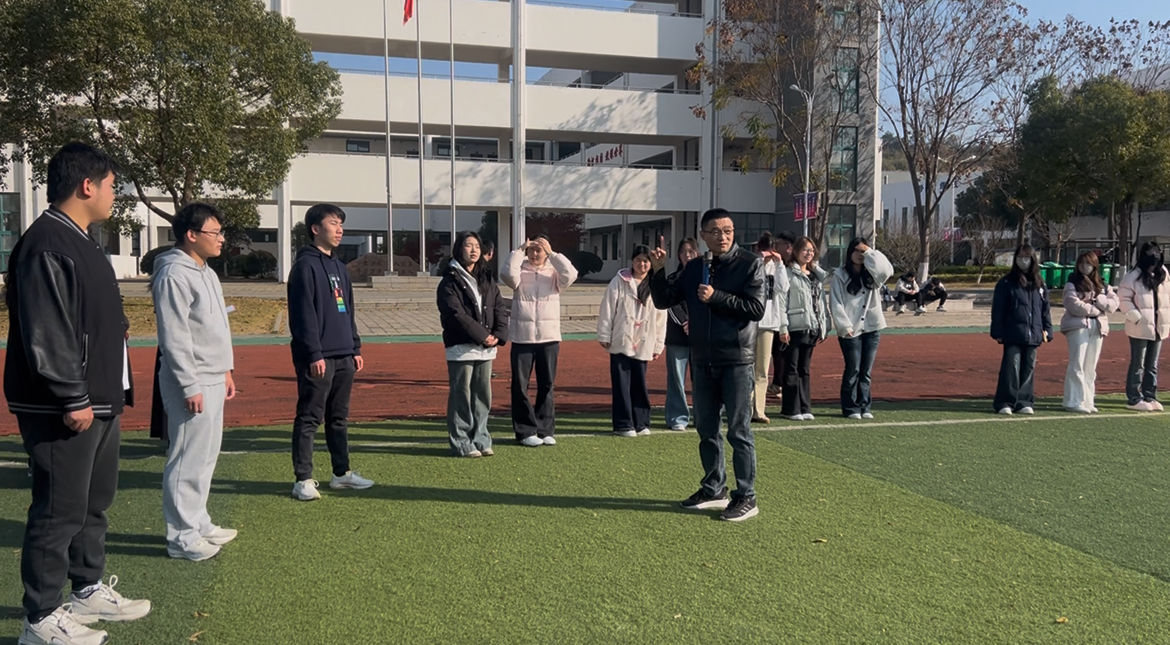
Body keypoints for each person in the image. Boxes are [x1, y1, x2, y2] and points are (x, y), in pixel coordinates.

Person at [6, 142, 151, 645]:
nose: (115, 194)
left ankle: (86, 588)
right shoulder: (47, 243)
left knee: (93, 502)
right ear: (87, 185)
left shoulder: (82, 240)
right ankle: (41, 617)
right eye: (111, 185)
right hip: (64, 404)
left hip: (100, 397)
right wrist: (71, 395)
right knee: (59, 509)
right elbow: (46, 329)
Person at [650, 209, 766, 522]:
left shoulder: (750, 263)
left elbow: (756, 308)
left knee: (739, 430)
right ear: (703, 236)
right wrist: (658, 271)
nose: (722, 236)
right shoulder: (695, 267)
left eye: (728, 231)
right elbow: (664, 300)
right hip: (702, 358)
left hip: (736, 359)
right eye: (715, 231)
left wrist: (717, 297)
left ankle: (746, 495)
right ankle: (714, 488)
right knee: (706, 428)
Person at [152, 203, 238, 561]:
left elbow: (215, 327)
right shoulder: (174, 274)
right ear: (191, 235)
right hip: (192, 380)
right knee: (187, 457)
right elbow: (174, 336)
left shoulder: (206, 272)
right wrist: (189, 385)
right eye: (214, 232)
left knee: (205, 456)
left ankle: (198, 521)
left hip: (213, 375)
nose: (221, 239)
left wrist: (226, 370)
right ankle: (181, 536)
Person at [287, 204, 373, 501]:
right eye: (334, 223)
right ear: (315, 229)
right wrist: (314, 354)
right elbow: (303, 316)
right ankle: (303, 479)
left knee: (339, 418)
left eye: (341, 224)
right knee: (310, 418)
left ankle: (341, 473)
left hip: (344, 354)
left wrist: (355, 347)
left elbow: (348, 309)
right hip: (318, 357)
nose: (340, 229)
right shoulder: (305, 266)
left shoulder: (339, 267)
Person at [500, 235, 579, 447]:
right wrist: (518, 251)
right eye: (532, 250)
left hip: (549, 337)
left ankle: (545, 429)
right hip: (522, 337)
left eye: (539, 250)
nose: (535, 254)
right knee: (520, 385)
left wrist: (553, 254)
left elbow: (571, 274)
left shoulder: (554, 273)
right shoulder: (519, 271)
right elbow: (506, 274)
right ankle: (525, 431)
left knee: (547, 384)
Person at [437, 231, 509, 457]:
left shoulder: (486, 278)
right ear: (459, 249)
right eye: (469, 245)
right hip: (462, 347)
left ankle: (481, 438)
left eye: (477, 246)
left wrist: (498, 334)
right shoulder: (449, 281)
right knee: (462, 394)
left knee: (482, 394)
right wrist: (482, 335)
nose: (474, 250)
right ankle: (461, 441)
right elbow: (455, 314)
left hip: (486, 348)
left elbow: (499, 307)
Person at [598, 245, 667, 438]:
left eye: (645, 261)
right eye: (638, 260)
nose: (642, 264)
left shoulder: (655, 284)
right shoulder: (619, 281)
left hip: (644, 341)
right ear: (632, 261)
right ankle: (623, 424)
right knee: (621, 384)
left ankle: (641, 422)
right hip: (621, 339)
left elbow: (661, 317)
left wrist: (658, 344)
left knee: (640, 384)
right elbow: (608, 308)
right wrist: (604, 334)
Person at [829, 237, 894, 419]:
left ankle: (865, 406)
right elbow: (836, 302)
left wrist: (870, 252)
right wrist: (844, 326)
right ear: (849, 253)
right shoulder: (840, 275)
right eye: (856, 251)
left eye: (862, 251)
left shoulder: (872, 273)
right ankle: (850, 407)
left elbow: (887, 270)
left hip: (872, 328)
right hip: (850, 330)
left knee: (866, 371)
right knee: (853, 369)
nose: (860, 254)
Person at [990, 244, 1052, 415]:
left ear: (1033, 260)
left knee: (1028, 367)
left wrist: (1048, 329)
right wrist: (997, 331)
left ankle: (1024, 401)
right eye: (1020, 258)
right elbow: (998, 309)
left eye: (1026, 258)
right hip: (1012, 333)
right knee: (1011, 367)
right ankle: (1005, 402)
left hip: (1034, 333)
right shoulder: (1006, 283)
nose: (1023, 261)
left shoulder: (1039, 284)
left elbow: (1045, 309)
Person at [1060, 251, 1119, 414]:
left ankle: (1087, 399)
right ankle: (1073, 400)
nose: (1085, 267)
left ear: (1095, 265)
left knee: (1090, 366)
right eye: (1082, 263)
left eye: (1088, 263)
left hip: (1098, 327)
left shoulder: (1103, 284)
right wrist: (1094, 310)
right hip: (1078, 326)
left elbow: (1114, 303)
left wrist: (1100, 301)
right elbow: (1072, 304)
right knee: (1077, 363)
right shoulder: (1072, 283)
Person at [777, 236, 829, 421]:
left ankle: (805, 406)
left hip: (811, 327)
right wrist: (783, 327)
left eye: (811, 250)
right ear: (796, 251)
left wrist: (824, 325)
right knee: (791, 368)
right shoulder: (788, 273)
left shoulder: (816, 276)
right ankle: (791, 409)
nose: (809, 253)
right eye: (805, 250)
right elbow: (781, 301)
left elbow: (820, 303)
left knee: (804, 369)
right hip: (794, 327)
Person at [1118, 242, 1170, 412]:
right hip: (1140, 327)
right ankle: (1134, 397)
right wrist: (1135, 316)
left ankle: (1150, 395)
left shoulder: (1163, 274)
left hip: (1159, 326)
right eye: (1151, 253)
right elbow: (1123, 298)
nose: (1155, 256)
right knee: (1138, 364)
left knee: (1152, 364)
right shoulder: (1133, 276)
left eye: (1157, 253)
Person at [664, 238, 700, 431]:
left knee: (702, 379)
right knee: (677, 379)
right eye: (684, 252)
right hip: (677, 337)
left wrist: (697, 323)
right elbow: (671, 304)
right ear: (679, 255)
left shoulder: (706, 277)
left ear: (697, 253)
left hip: (701, 337)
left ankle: (703, 416)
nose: (687, 255)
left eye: (691, 251)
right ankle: (677, 417)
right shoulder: (673, 278)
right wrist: (685, 322)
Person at [752, 232, 788, 424]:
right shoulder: (752, 264)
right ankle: (744, 407)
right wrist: (759, 261)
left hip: (768, 324)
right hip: (750, 323)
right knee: (747, 367)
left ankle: (758, 410)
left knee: (762, 369)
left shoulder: (777, 268)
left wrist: (779, 264)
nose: (768, 254)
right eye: (765, 249)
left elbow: (783, 288)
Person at [769, 231, 796, 396]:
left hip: (792, 316)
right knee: (777, 351)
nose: (775, 247)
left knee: (786, 353)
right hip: (778, 314)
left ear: (788, 246)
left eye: (778, 244)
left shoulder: (795, 266)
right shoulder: (776, 264)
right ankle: (778, 381)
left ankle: (782, 383)